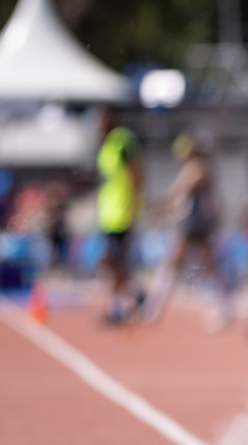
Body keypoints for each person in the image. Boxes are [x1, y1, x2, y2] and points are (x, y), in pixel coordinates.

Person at [142, 132, 233, 329]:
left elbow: (177, 193)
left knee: (182, 265)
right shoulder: (194, 169)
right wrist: (159, 210)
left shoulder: (198, 169)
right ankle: (223, 308)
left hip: (196, 226)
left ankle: (154, 307)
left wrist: (154, 204)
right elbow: (180, 201)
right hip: (192, 224)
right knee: (194, 267)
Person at [97, 105, 145, 324]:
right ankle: (129, 297)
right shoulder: (105, 146)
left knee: (112, 260)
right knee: (114, 263)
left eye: (104, 117)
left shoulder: (122, 141)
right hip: (109, 214)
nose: (100, 122)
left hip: (122, 212)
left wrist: (134, 207)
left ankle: (124, 301)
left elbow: (137, 174)